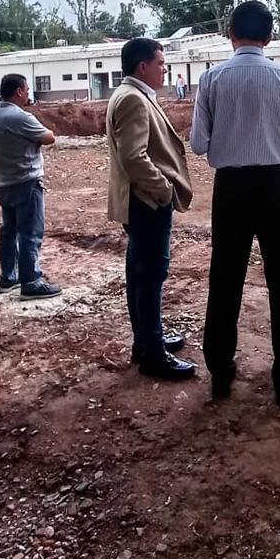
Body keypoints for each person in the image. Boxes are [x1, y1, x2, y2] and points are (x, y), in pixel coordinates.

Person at [191, 0, 280, 406]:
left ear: (230, 34)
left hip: (232, 189)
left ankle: (221, 372)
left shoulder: (211, 79)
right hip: (278, 186)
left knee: (225, 280)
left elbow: (198, 144)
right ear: (270, 36)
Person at [106, 38, 197, 380]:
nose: (165, 68)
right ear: (143, 66)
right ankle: (152, 354)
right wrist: (164, 190)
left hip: (140, 201)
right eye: (161, 63)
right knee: (150, 277)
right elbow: (133, 157)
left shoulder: (134, 94)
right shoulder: (132, 98)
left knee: (140, 274)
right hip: (146, 202)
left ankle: (146, 341)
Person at [0, 73, 63, 300]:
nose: (29, 93)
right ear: (19, 91)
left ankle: (8, 277)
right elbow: (49, 137)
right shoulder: (19, 116)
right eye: (27, 89)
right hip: (26, 182)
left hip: (4, 182)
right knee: (30, 233)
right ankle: (31, 281)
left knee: (9, 232)